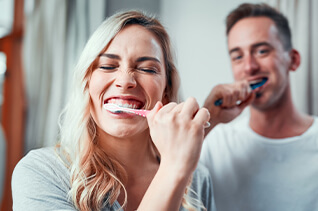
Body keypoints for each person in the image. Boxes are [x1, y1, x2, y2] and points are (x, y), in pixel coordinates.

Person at [12, 11, 215, 211]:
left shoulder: (197, 178)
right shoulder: (42, 173)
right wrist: (173, 169)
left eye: (147, 69)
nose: (125, 81)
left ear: (166, 90)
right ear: (87, 82)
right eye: (108, 66)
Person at [200, 3, 318, 211]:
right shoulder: (213, 143)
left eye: (262, 51)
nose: (249, 67)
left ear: (293, 60)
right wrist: (207, 119)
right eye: (238, 56)